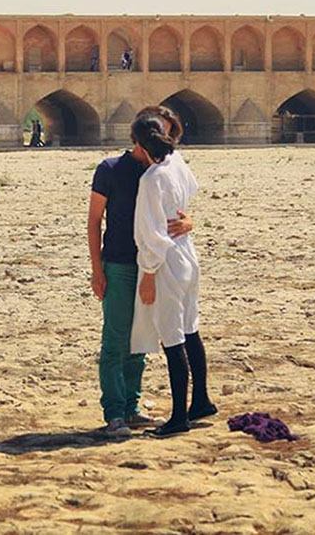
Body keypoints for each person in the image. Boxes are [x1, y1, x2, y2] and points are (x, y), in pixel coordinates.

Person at [88, 119, 194, 437]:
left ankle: (132, 408)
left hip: (152, 264)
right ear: (137, 140)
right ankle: (115, 412)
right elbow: (94, 221)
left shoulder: (160, 169)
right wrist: (97, 270)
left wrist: (190, 222)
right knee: (116, 339)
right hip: (120, 264)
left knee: (140, 338)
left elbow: (178, 209)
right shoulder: (109, 169)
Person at [129, 106, 216, 438]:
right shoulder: (176, 163)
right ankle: (202, 401)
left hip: (165, 259)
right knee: (190, 327)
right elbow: (191, 190)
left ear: (139, 143)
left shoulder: (151, 179)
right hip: (187, 253)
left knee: (172, 335)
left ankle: (179, 416)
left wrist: (148, 273)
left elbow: (149, 234)